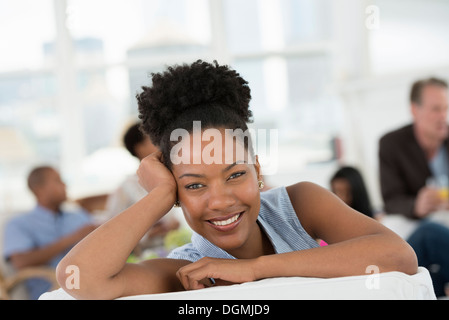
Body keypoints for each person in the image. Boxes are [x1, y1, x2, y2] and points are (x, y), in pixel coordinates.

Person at [56, 60, 417, 300]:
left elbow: (399, 255)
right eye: (194, 185)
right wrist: (160, 195)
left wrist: (252, 270)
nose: (220, 201)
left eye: (236, 174)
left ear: (258, 172)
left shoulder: (299, 205)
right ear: (176, 192)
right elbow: (77, 277)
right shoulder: (187, 270)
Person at [331, 166, 449, 297]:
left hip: (385, 270)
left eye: (347, 192)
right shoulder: (327, 232)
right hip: (374, 276)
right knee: (428, 233)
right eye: (336, 192)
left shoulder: (374, 218)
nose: (342, 198)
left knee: (433, 276)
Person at [3, 166, 96, 299]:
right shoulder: (19, 224)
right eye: (58, 181)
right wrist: (71, 238)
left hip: (95, 285)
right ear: (39, 190)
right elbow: (21, 262)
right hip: (52, 291)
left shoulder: (78, 216)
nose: (65, 184)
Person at [379, 77, 449, 219]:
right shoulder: (392, 144)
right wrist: (416, 205)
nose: (443, 116)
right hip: (417, 224)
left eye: (446, 108)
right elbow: (391, 201)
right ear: (414, 110)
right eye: (436, 109)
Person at [105, 122, 180, 250]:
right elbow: (110, 234)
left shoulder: (172, 178)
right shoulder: (126, 188)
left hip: (172, 249)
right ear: (139, 148)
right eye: (154, 140)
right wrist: (149, 234)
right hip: (144, 257)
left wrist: (174, 225)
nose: (162, 144)